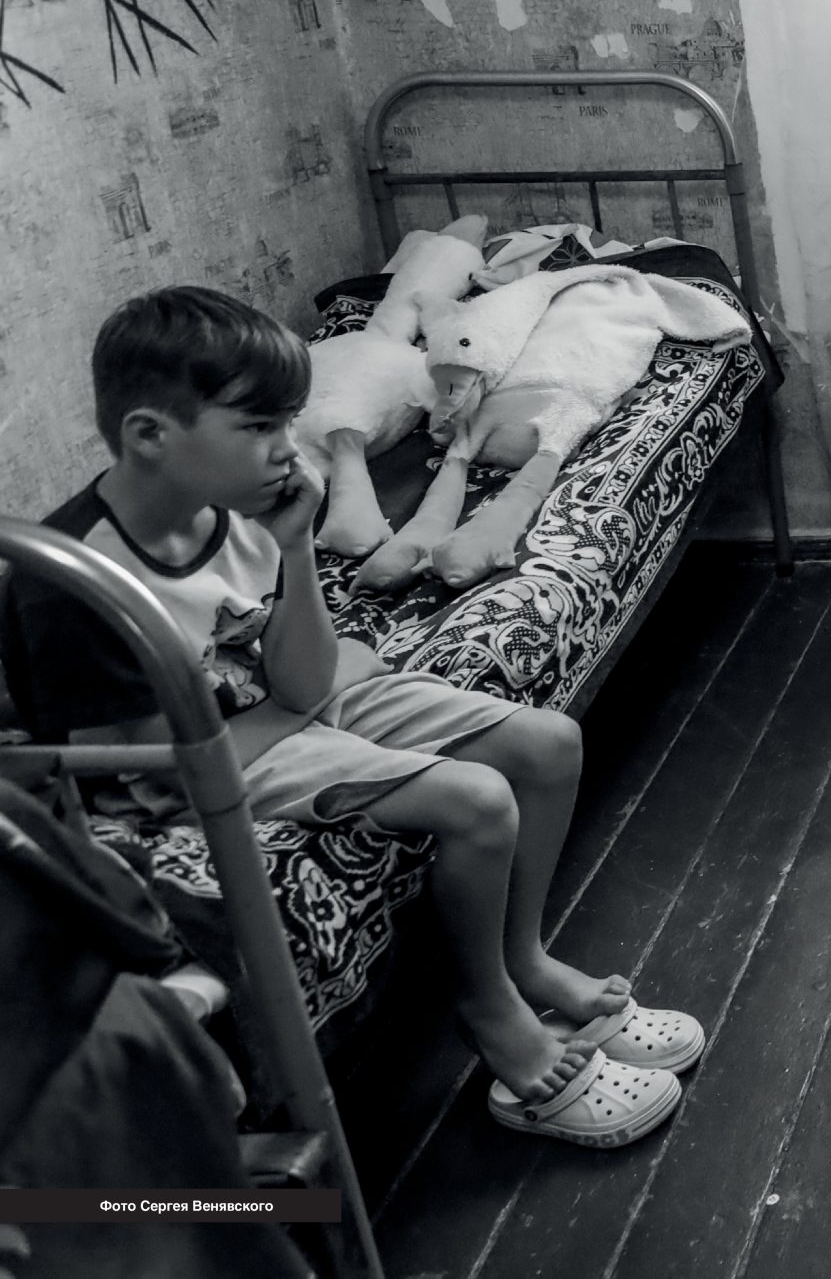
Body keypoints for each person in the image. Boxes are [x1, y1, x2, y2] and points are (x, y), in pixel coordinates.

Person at [0, 288, 701, 1143]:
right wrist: (306, 701)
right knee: (478, 801)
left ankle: (524, 960)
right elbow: (164, 772)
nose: (283, 449)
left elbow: (302, 671)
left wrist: (298, 547)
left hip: (265, 704)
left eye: (287, 423)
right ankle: (490, 1009)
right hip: (185, 766)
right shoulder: (80, 581)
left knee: (548, 745)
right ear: (150, 434)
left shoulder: (241, 513)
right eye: (258, 427)